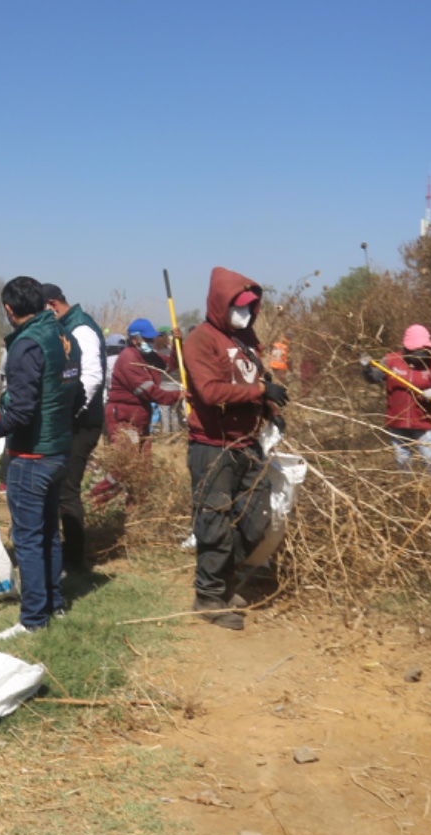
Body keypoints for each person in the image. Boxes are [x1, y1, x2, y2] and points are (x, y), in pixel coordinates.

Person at [0, 276, 80, 640]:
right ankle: (54, 604)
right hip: (59, 450)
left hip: (32, 455)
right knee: (48, 533)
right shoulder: (64, 336)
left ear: (9, 309)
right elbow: (71, 393)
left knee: (28, 539)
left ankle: (32, 619)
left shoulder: (27, 344)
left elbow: (22, 411)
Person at [181, 268, 287, 631]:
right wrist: (260, 392)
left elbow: (254, 379)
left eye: (249, 306)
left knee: (257, 518)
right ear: (220, 303)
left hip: (249, 444)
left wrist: (271, 411)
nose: (245, 312)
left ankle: (224, 581)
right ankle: (209, 597)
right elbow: (210, 392)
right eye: (238, 306)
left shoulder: (247, 338)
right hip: (213, 447)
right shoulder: (200, 340)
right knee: (214, 523)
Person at [40, 284, 107, 571]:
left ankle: (74, 558)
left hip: (82, 422)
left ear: (53, 304)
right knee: (60, 487)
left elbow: (91, 378)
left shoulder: (80, 329)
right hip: (73, 419)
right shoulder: (66, 326)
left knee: (67, 488)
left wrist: (71, 412)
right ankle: (62, 549)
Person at [360, 324, 431, 478]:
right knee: (403, 462)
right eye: (417, 349)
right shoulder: (391, 360)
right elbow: (374, 378)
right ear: (408, 347)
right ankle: (407, 488)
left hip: (423, 422)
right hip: (397, 422)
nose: (421, 353)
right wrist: (366, 368)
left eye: (424, 349)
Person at [106, 318, 183, 454]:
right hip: (124, 418)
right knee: (127, 462)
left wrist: (178, 345)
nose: (151, 342)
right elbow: (150, 392)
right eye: (147, 339)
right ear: (135, 339)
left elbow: (170, 365)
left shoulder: (148, 356)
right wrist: (179, 395)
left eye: (151, 339)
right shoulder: (129, 359)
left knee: (144, 461)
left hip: (140, 417)